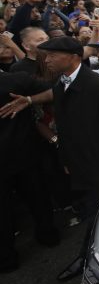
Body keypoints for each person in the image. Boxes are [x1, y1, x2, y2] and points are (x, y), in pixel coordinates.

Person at [35, 37, 99, 281]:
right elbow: (66, 126)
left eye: (52, 55)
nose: (46, 60)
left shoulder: (97, 85)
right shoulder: (61, 85)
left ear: (73, 57)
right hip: (80, 165)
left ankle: (88, 260)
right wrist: (66, 159)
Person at [0, 71, 60, 272]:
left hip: (23, 155)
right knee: (38, 198)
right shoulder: (16, 80)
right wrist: (30, 100)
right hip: (24, 154)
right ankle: (48, 235)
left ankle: (7, 259)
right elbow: (55, 91)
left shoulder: (15, 80)